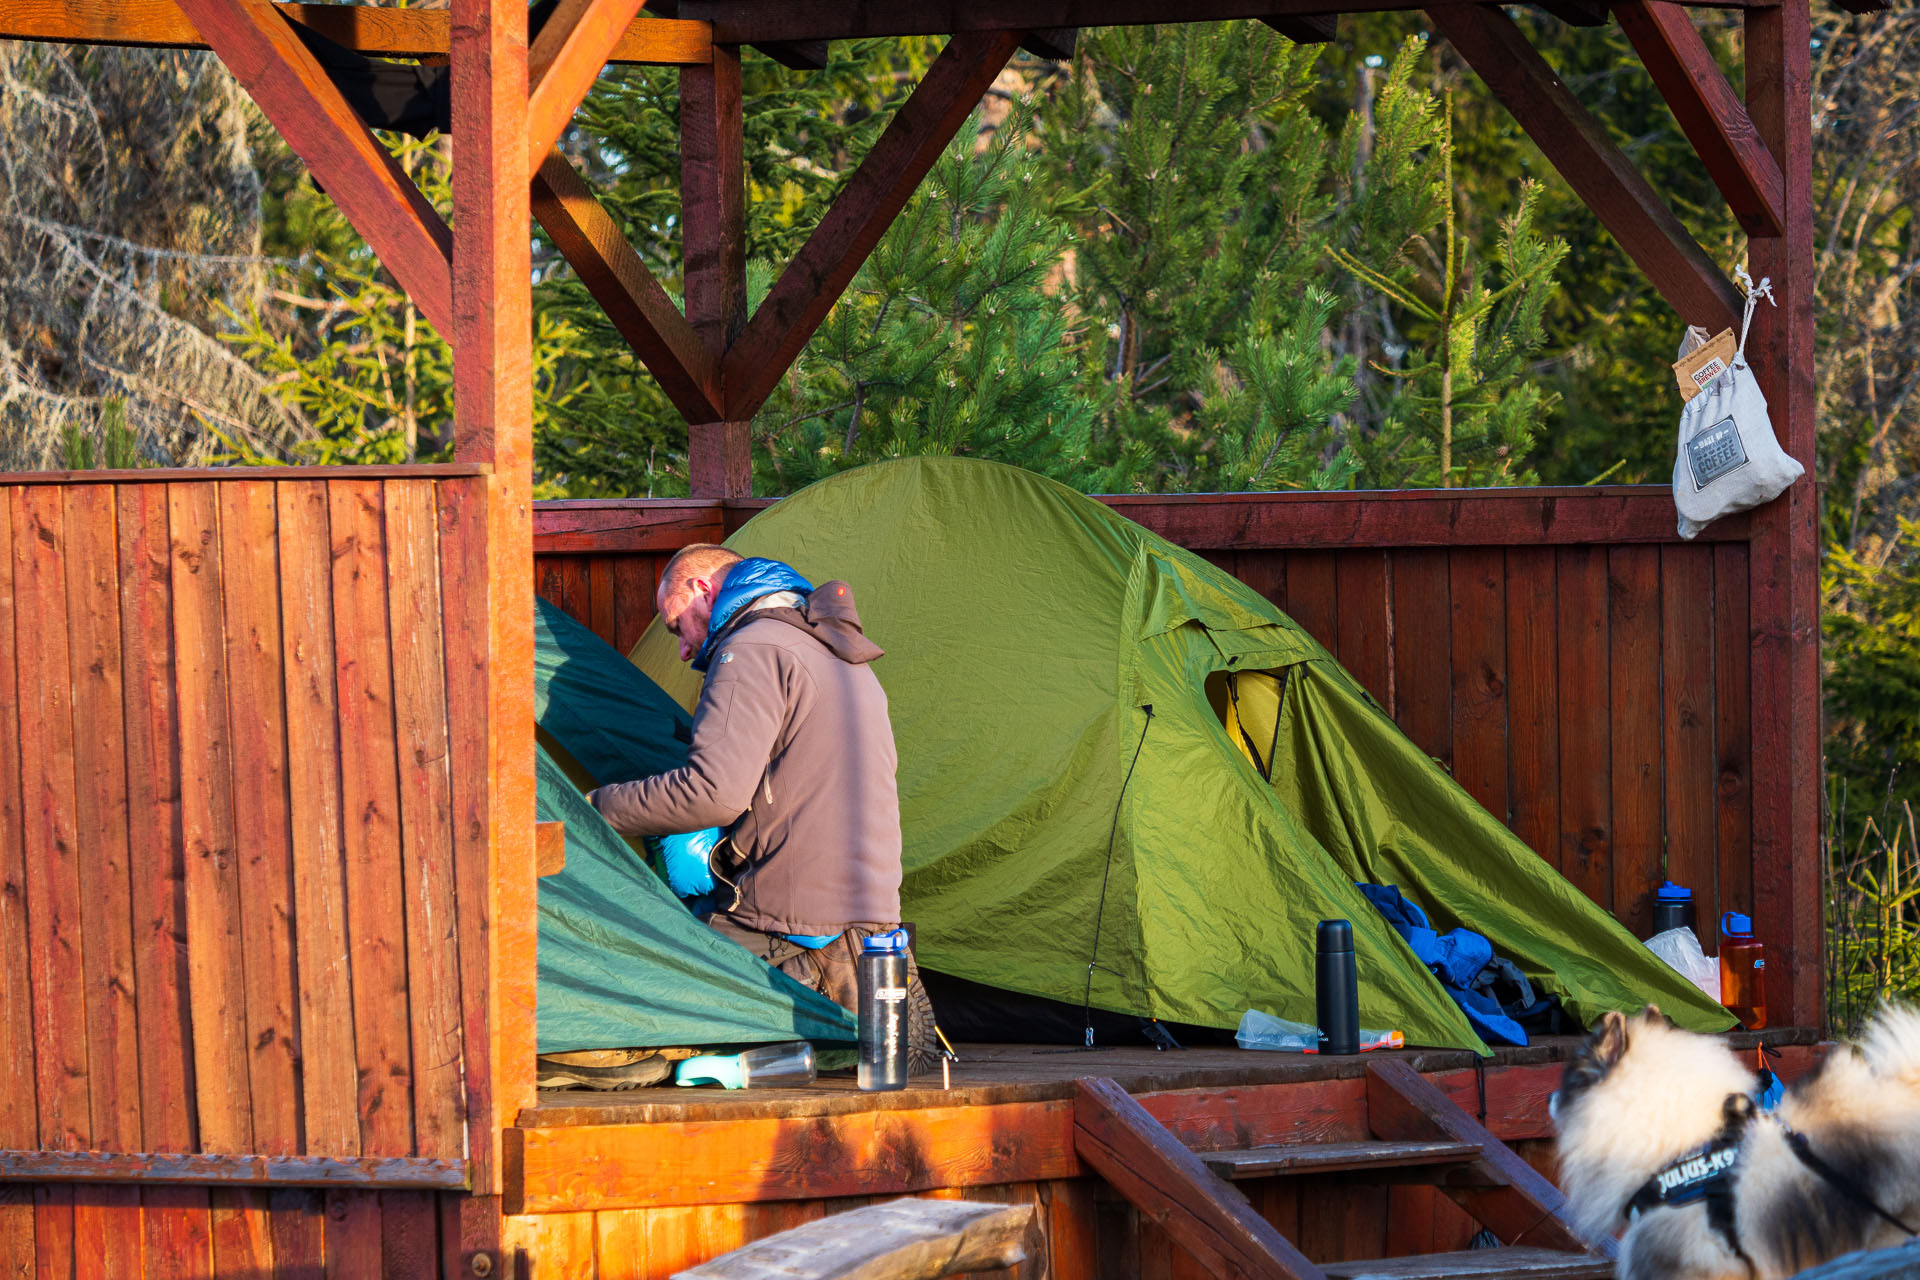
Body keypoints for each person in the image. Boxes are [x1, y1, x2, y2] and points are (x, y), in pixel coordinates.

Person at [586, 543, 939, 1076]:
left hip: (801, 951)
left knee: (614, 986)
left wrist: (593, 807)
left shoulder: (751, 649)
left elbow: (710, 792)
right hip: (873, 953)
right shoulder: (832, 649)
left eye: (675, 625)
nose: (682, 650)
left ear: (703, 589)